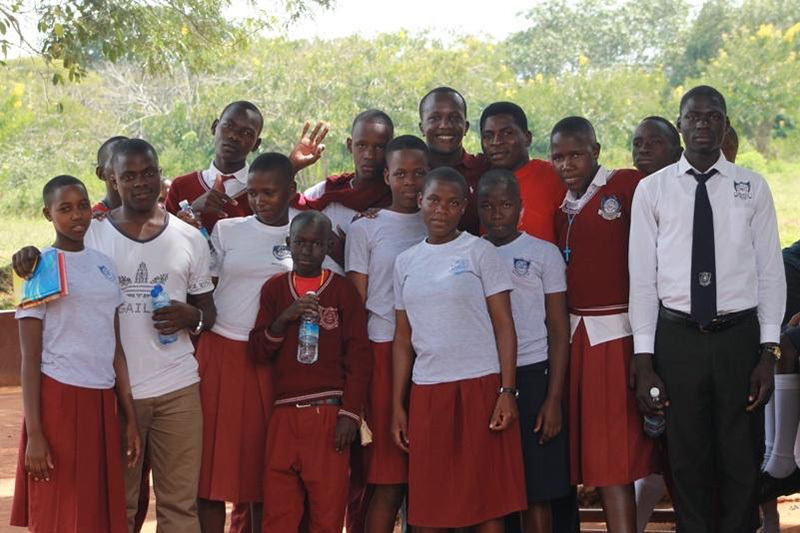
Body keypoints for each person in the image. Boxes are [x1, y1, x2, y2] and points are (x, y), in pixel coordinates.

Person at [13, 138, 218, 531]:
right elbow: (52, 254)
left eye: (148, 173)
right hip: (111, 396)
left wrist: (192, 316)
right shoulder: (92, 234)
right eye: (128, 176)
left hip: (177, 386)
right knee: (114, 507)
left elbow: (208, 313)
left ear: (162, 176)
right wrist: (27, 258)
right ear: (112, 180)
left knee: (180, 506)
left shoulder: (190, 238)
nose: (140, 183)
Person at [629, 85, 785, 532]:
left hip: (739, 337)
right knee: (686, 457)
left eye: (713, 116)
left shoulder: (752, 186)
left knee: (741, 456)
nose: (703, 124)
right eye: (694, 117)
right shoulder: (652, 190)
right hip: (677, 338)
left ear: (725, 124)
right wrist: (644, 358)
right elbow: (642, 278)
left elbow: (770, 272)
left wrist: (767, 352)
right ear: (680, 126)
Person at [391, 167, 526, 530]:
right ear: (420, 200)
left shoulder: (479, 252)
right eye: (433, 200)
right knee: (430, 508)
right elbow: (403, 339)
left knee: (486, 505)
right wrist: (397, 405)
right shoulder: (405, 263)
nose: (441, 210)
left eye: (452, 203)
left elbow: (504, 326)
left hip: (480, 387)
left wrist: (507, 391)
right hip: (429, 390)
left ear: (463, 208)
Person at [10, 175, 141, 533]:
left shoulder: (104, 266)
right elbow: (29, 358)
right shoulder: (39, 267)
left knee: (95, 512)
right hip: (59, 400)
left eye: (82, 205)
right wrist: (35, 434)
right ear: (47, 214)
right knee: (59, 511)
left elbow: (114, 348)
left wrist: (129, 416)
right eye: (64, 209)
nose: (76, 216)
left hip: (101, 399)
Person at [551, 116, 655, 533]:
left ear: (596, 150)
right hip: (573, 339)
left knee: (614, 460)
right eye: (558, 156)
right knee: (588, 457)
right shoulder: (562, 204)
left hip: (618, 336)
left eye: (576, 154)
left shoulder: (625, 185)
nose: (567, 164)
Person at [249, 210, 371, 532]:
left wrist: (350, 414)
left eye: (316, 243)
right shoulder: (275, 289)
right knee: (278, 515)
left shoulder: (342, 291)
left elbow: (359, 358)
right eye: (299, 242)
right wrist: (284, 318)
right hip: (283, 414)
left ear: (328, 245)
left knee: (327, 514)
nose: (306, 250)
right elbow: (259, 350)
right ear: (288, 243)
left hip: (328, 414)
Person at [195, 153, 297, 532]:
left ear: (291, 191)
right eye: (252, 192)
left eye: (268, 192)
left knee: (261, 474)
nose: (258, 200)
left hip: (270, 358)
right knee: (209, 471)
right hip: (220, 354)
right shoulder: (228, 230)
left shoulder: (304, 232)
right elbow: (200, 285)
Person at [477, 169, 571, 532]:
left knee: (537, 492)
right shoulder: (470, 250)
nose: (496, 213)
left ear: (520, 207)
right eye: (487, 205)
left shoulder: (543, 253)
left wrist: (554, 398)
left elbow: (559, 329)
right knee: (492, 492)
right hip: (486, 377)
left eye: (505, 205)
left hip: (534, 374)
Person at [344, 135, 429, 532]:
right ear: (386, 176)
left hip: (433, 356)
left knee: (429, 478)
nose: (410, 182)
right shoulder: (367, 228)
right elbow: (356, 303)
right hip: (383, 352)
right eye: (401, 174)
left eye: (418, 174)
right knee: (389, 478)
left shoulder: (441, 218)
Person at [629, 115, 683, 533]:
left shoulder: (696, 194)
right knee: (652, 432)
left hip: (687, 329)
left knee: (681, 437)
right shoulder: (627, 191)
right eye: (637, 143)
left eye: (654, 143)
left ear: (678, 149)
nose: (643, 149)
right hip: (641, 331)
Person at [165, 100, 328, 233]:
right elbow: (162, 239)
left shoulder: (267, 195)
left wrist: (290, 167)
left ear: (256, 144)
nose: (234, 136)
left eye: (246, 133)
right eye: (228, 126)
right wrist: (192, 209)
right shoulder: (181, 186)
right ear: (215, 127)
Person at [296, 109, 395, 272]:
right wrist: (293, 167)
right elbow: (285, 209)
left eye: (379, 147)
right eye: (362, 145)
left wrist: (349, 254)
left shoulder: (399, 201)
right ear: (350, 145)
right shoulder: (327, 192)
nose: (369, 155)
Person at [479, 101, 565, 243]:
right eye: (488, 136)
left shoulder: (554, 176)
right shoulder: (481, 179)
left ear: (527, 137)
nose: (496, 142)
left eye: (507, 133)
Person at [418, 87, 489, 236]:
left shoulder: (484, 169)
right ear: (422, 127)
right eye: (435, 118)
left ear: (466, 127)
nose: (445, 125)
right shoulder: (409, 173)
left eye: (455, 117)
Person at [92, 135, 128, 216]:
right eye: (117, 161)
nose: (129, 166)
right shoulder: (92, 220)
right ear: (101, 173)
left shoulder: (156, 212)